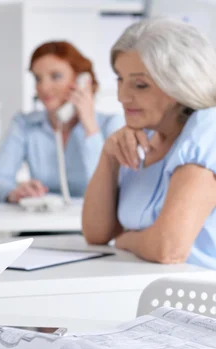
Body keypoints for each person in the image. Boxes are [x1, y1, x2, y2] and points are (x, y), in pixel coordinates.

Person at [82, 19, 216, 268]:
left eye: (140, 84)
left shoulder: (208, 130)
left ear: (180, 84)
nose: (122, 96)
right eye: (120, 79)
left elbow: (168, 249)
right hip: (142, 290)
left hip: (199, 301)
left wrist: (125, 240)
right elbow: (97, 235)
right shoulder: (143, 138)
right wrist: (109, 156)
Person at [0, 41, 124, 203]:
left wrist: (90, 127)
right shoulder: (24, 124)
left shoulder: (111, 125)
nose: (44, 87)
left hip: (93, 225)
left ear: (82, 81)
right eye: (38, 78)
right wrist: (14, 192)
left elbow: (109, 188)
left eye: (55, 76)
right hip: (40, 224)